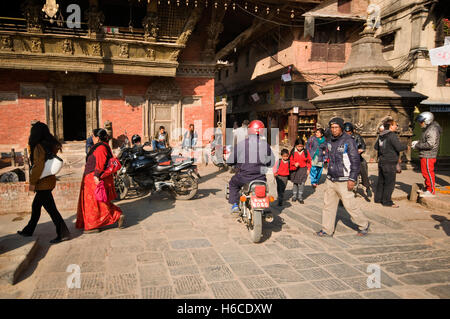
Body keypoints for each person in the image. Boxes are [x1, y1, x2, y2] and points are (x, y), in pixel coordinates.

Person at [316, 117, 370, 237]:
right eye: (332, 127)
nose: (334, 130)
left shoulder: (348, 141)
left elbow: (355, 161)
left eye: (336, 127)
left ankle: (363, 224)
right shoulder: (330, 140)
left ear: (341, 128)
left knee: (350, 205)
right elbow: (322, 148)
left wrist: (352, 179)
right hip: (331, 178)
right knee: (328, 206)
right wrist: (323, 159)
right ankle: (327, 230)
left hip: (344, 179)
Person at [18, 121, 71, 244]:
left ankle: (63, 233)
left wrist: (32, 183)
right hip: (49, 181)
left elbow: (38, 166)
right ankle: (28, 230)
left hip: (42, 183)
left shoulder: (38, 147)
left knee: (49, 209)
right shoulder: (50, 145)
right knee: (37, 207)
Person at [76, 128, 124, 233]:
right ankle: (94, 222)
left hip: (94, 177)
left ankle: (115, 216)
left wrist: (96, 176)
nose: (91, 138)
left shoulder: (101, 147)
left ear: (97, 138)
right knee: (95, 202)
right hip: (90, 177)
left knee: (96, 203)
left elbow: (100, 163)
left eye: (92, 136)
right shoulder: (98, 146)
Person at [227, 120, 275, 213]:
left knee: (233, 184)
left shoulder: (241, 144)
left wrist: (230, 163)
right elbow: (271, 163)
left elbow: (230, 161)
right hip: (260, 178)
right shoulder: (266, 145)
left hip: (243, 177)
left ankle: (235, 205)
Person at [374, 119, 407, 208]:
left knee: (381, 181)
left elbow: (376, 147)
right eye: (395, 125)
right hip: (390, 162)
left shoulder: (381, 135)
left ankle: (378, 199)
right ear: (391, 126)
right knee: (390, 182)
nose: (396, 127)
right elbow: (399, 147)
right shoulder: (392, 135)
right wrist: (406, 146)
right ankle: (387, 201)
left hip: (382, 161)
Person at [412, 111, 442, 197]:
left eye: (422, 122)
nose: (420, 123)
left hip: (429, 155)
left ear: (428, 121)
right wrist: (418, 142)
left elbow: (430, 144)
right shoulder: (428, 128)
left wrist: (417, 145)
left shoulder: (432, 129)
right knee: (425, 173)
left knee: (428, 172)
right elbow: (427, 141)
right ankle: (427, 188)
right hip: (425, 154)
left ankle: (431, 191)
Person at [343, 122, 372, 198]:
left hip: (356, 158)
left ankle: (367, 186)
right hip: (344, 158)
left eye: (349, 132)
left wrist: (360, 150)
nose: (348, 134)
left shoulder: (357, 137)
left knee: (363, 165)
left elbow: (362, 145)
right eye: (346, 133)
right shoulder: (341, 138)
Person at [289, 139, 312, 204]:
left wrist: (308, 169)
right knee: (295, 183)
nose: (300, 148)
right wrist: (294, 163)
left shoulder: (306, 152)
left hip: (303, 169)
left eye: (301, 146)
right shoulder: (293, 151)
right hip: (295, 170)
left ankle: (300, 196)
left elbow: (309, 161)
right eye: (298, 146)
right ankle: (294, 196)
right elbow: (290, 160)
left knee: (301, 183)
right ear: (296, 145)